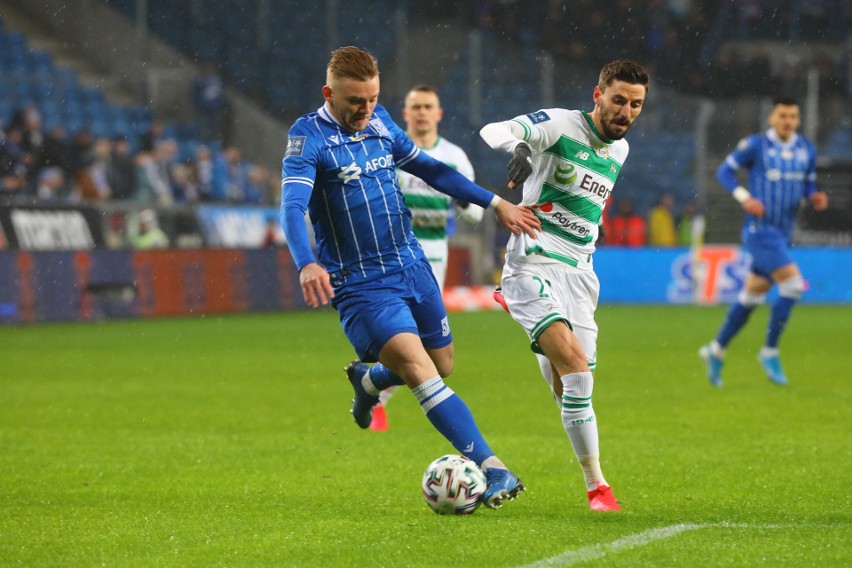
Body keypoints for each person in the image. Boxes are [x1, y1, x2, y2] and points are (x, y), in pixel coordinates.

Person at [280, 46, 540, 509]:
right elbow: (292, 207)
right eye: (354, 101)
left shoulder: (381, 122)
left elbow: (433, 169)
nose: (364, 110)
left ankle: (369, 382)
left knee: (442, 364)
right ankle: (492, 467)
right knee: (421, 372)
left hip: (411, 264)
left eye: (372, 98)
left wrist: (495, 203)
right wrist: (306, 261)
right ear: (328, 93)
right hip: (361, 285)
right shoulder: (308, 138)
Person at [480, 58, 650, 511]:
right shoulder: (559, 125)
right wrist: (517, 146)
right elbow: (493, 130)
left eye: (635, 105)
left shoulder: (620, 151)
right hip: (533, 258)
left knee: (571, 385)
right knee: (575, 366)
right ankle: (598, 487)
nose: (626, 112)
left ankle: (538, 333)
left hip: (580, 275)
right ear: (598, 96)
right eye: (618, 100)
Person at [368, 84, 485, 431]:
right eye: (415, 106)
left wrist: (461, 197)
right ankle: (378, 396)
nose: (421, 112)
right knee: (396, 333)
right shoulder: (388, 149)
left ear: (438, 114)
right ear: (404, 114)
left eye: (427, 106)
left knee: (424, 345)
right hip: (387, 254)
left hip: (431, 256)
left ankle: (375, 385)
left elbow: (475, 216)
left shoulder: (453, 157)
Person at [699, 96, 828, 387]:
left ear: (798, 120)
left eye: (792, 116)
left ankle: (715, 349)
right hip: (760, 231)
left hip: (783, 233)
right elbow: (724, 172)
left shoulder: (806, 149)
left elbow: (807, 183)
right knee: (793, 285)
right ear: (771, 117)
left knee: (751, 296)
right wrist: (746, 198)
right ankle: (769, 351)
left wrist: (813, 195)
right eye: (782, 115)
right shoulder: (756, 145)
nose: (787, 121)